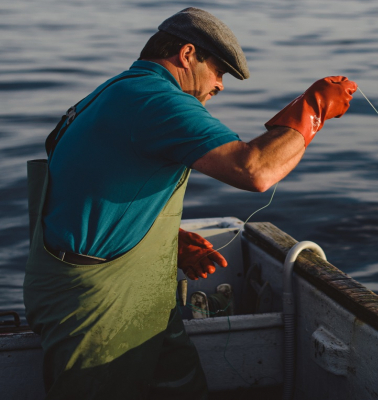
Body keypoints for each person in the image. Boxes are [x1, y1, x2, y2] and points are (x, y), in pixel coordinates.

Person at [23, 7, 357, 400]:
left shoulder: (115, 91)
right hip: (99, 303)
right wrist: (313, 108)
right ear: (186, 56)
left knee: (182, 386)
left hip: (136, 289)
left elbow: (87, 184)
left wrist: (166, 241)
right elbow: (255, 170)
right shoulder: (155, 99)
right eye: (218, 71)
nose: (220, 85)